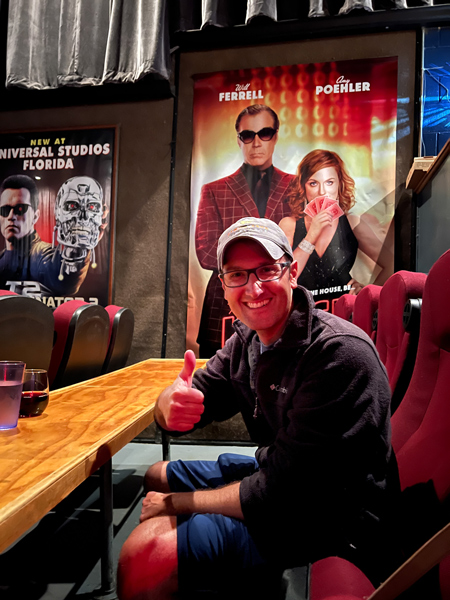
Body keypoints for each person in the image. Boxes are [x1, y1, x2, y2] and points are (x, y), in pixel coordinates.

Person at [117, 217, 400, 600]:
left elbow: (284, 495)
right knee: (156, 474)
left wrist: (177, 504)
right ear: (224, 285)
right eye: (237, 275)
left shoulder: (338, 354)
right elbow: (195, 399)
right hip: (281, 477)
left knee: (146, 553)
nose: (254, 288)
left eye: (267, 270)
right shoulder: (247, 340)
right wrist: (167, 406)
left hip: (333, 518)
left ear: (292, 271)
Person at [195, 104, 294, 357]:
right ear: (239, 140)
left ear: (276, 135)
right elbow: (206, 253)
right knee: (218, 382)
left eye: (265, 133)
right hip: (226, 303)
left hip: (280, 299)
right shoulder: (214, 189)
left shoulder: (297, 186)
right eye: (248, 135)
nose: (256, 142)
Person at [279, 149, 391, 298]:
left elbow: (392, 264)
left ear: (339, 185)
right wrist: (311, 235)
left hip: (341, 314)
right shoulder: (289, 225)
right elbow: (281, 279)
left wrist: (368, 294)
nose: (322, 192)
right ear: (303, 188)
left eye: (329, 182)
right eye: (313, 183)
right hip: (301, 313)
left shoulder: (353, 223)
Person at [0, 174, 103, 297]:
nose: (11, 216)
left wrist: (76, 250)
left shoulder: (42, 254)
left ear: (35, 216)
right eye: (5, 210)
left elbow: (63, 279)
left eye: (20, 209)